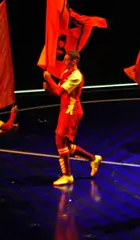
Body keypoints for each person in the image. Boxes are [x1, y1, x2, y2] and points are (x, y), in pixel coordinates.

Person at [42, 50, 103, 186]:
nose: (63, 62)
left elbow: (58, 91)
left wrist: (49, 79)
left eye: (66, 60)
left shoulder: (77, 76)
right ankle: (93, 159)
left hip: (72, 111)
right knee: (66, 145)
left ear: (74, 61)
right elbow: (58, 91)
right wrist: (48, 88)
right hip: (64, 110)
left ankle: (67, 176)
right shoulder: (65, 73)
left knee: (60, 139)